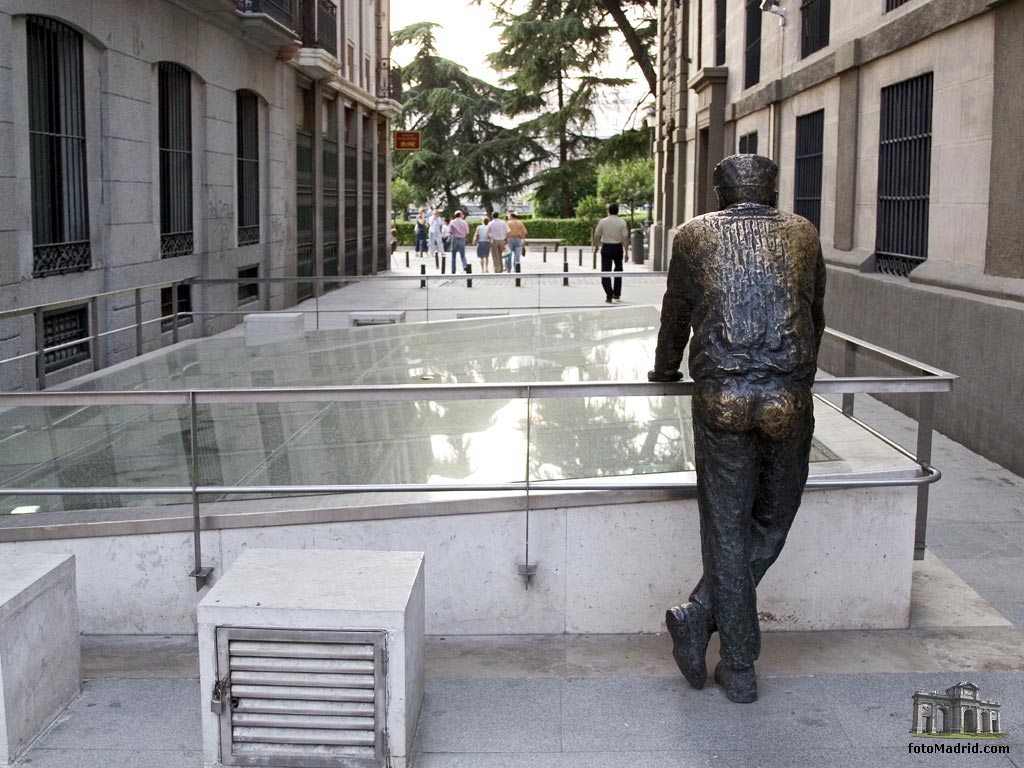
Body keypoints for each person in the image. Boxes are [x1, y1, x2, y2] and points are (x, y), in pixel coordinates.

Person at [647, 154, 826, 704]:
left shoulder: (694, 234)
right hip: (787, 395)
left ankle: (708, 625)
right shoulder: (801, 232)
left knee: (727, 530)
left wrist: (663, 370)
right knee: (772, 522)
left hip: (722, 395)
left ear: (720, 192)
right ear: (772, 190)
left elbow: (675, 312)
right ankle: (729, 652)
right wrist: (796, 370)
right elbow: (815, 311)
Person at [592, 203, 630, 303]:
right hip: (618, 247)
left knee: (605, 271)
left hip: (607, 247)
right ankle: (616, 294)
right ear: (618, 211)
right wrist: (626, 252)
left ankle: (609, 294)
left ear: (608, 210)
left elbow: (597, 235)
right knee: (618, 270)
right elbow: (625, 238)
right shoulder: (622, 222)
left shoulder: (603, 221)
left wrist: (596, 247)